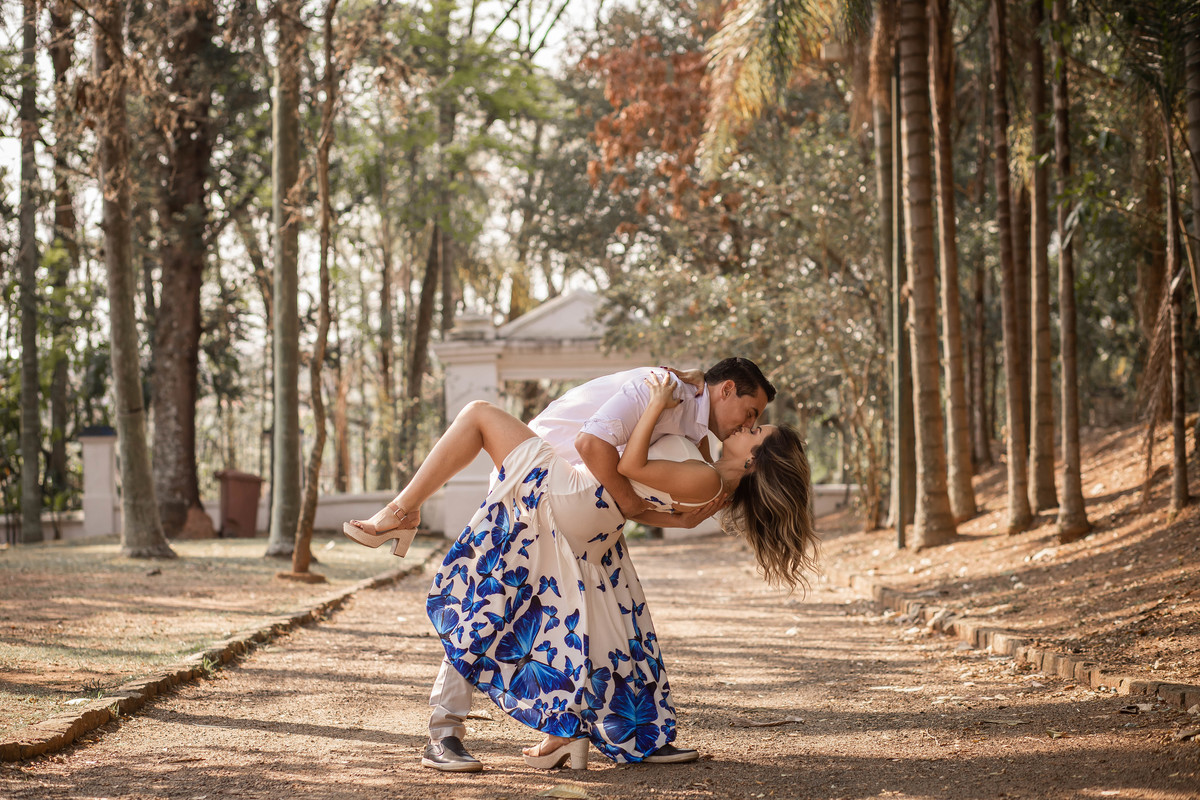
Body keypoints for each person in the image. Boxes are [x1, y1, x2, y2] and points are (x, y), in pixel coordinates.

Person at [343, 359, 814, 771]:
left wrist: (654, 410)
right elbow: (647, 491)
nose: (744, 426)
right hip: (585, 515)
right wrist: (645, 504)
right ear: (727, 389)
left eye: (753, 429)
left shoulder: (687, 436)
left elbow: (622, 464)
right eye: (751, 418)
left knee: (478, 420)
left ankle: (402, 513)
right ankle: (565, 737)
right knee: (592, 633)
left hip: (565, 496)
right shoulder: (692, 433)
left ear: (753, 460)